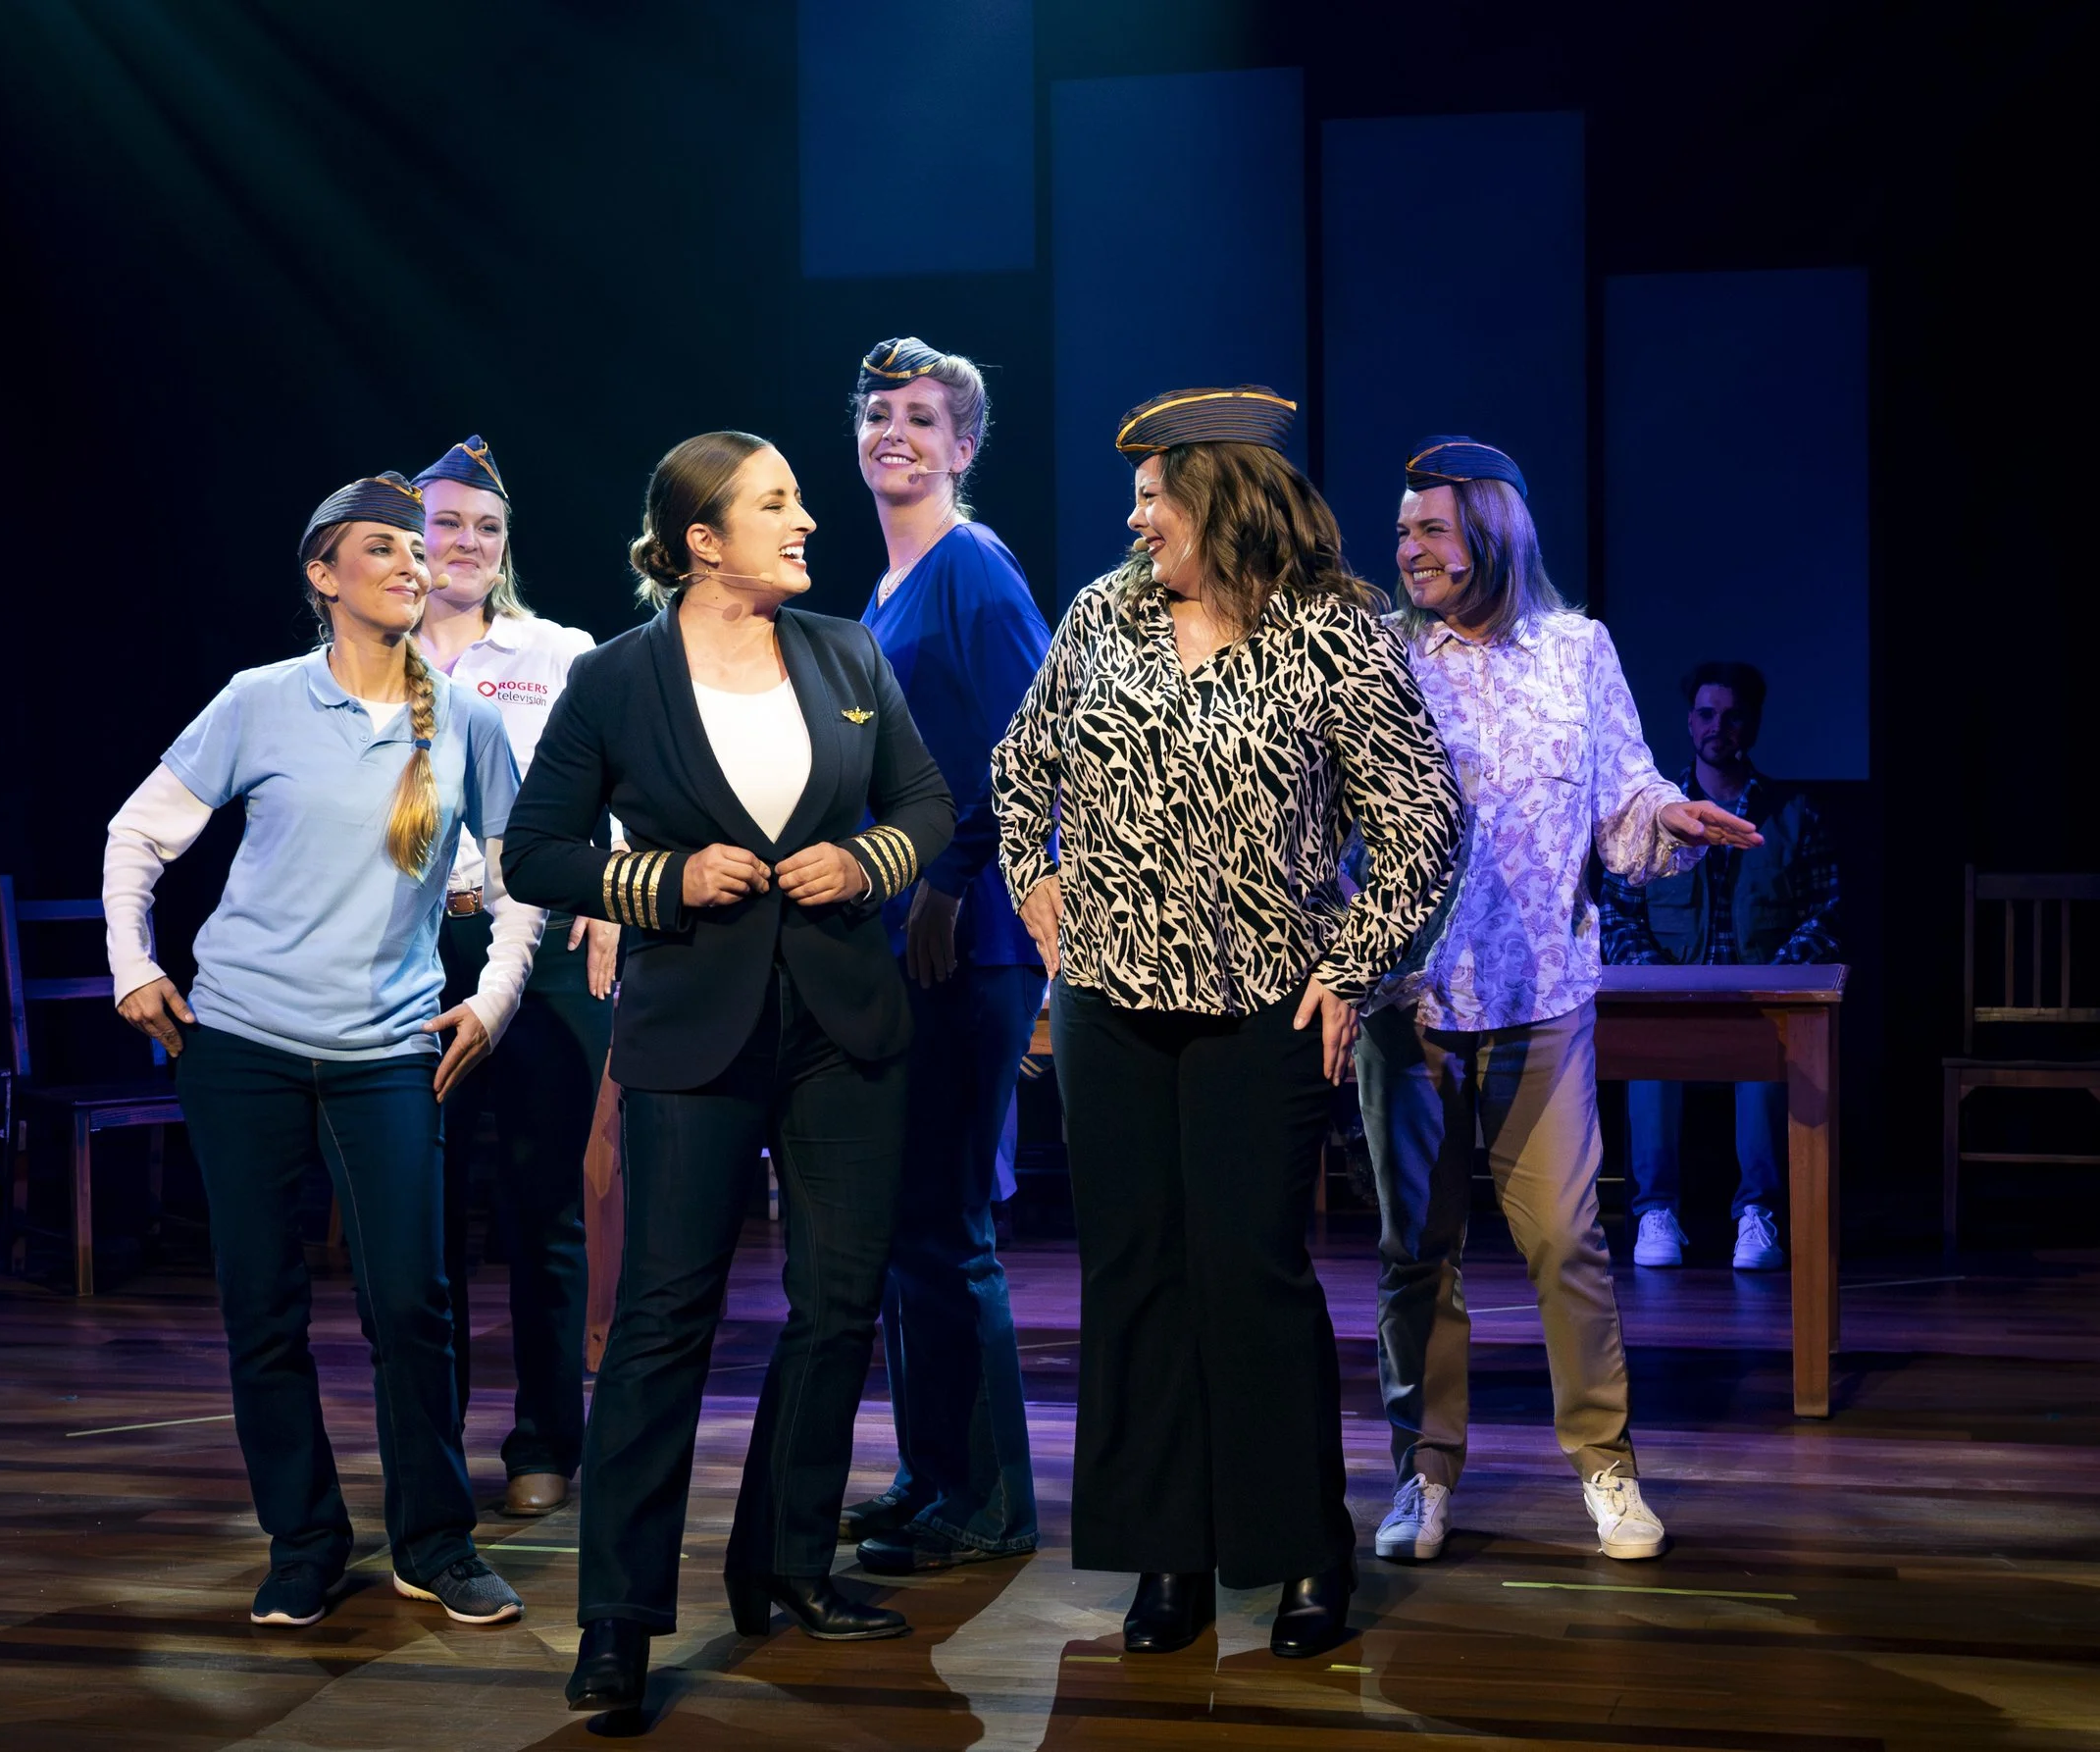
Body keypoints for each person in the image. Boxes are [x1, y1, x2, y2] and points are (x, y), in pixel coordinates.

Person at [993, 387, 1463, 1661]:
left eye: (1155, 495)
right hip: (1110, 1000)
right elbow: (1017, 766)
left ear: (1222, 498)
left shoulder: (1336, 630)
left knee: (1248, 1273)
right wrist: (1030, 873)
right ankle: (1169, 1553)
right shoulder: (1105, 615)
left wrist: (1356, 963)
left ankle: (1303, 1548)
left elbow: (1424, 823)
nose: (1133, 517)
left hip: (1267, 1003)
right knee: (1135, 1277)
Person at [501, 431, 955, 1715]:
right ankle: (619, 1621)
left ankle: (789, 1564)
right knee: (662, 1317)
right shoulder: (613, 679)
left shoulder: (847, 655)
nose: (806, 519)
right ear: (703, 540)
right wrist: (662, 878)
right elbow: (537, 851)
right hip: (693, 1029)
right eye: (775, 504)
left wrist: (867, 863)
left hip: (842, 1030)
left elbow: (924, 804)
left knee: (837, 1302)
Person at [102, 472, 535, 1630]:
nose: (411, 563)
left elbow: (524, 876)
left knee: (413, 1302)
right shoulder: (261, 700)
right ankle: (302, 1541)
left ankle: (434, 1544)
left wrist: (492, 996)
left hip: (387, 1051)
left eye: (417, 547)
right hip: (239, 1042)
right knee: (263, 1303)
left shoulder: (469, 718)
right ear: (322, 574)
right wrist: (131, 965)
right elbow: (138, 831)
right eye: (382, 548)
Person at [1358, 437, 1760, 1571]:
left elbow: (1624, 797)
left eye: (1431, 527)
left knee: (1567, 1246)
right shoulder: (1387, 658)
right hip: (1412, 997)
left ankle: (1604, 1467)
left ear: (1491, 532)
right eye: (1402, 530)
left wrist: (1668, 819)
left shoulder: (1577, 652)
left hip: (1541, 994)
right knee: (1413, 1253)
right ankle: (1423, 1475)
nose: (1409, 547)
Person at [840, 337, 1052, 1574]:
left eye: (921, 418)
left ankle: (990, 1503)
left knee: (951, 1224)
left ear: (963, 447)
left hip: (966, 946)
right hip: (899, 942)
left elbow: (1040, 741)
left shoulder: (972, 565)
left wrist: (961, 871)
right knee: (909, 1220)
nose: (895, 434)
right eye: (878, 415)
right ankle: (932, 1475)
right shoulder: (884, 588)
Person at [413, 437, 617, 1516]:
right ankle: (429, 1438)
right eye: (447, 522)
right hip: (401, 950)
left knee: (544, 1201)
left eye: (486, 526)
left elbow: (608, 779)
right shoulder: (367, 653)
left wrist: (611, 896)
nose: (467, 543)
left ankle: (545, 1442)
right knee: (421, 1205)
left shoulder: (558, 650)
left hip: (535, 946)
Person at [1604, 660, 1841, 1270]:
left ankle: (1756, 1214)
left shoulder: (1793, 814)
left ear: (1753, 723)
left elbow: (1828, 909)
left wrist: (1781, 977)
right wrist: (1652, 980)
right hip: (1671, 995)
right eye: (1707, 714)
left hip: (1760, 996)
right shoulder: (1658, 815)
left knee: (1767, 1056)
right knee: (1647, 1057)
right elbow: (1620, 912)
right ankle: (1655, 1212)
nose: (1720, 727)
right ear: (1689, 722)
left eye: (1733, 715)